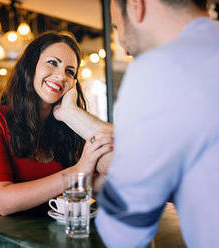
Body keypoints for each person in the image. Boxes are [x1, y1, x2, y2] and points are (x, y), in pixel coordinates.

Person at [55, 0, 219, 247]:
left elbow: (124, 231)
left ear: (135, 6)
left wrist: (104, 179)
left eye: (116, 26)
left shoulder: (159, 68)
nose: (121, 42)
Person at [0, 32, 113, 247]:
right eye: (52, 63)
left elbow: (120, 161)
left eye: (69, 71)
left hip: (41, 239)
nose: (61, 75)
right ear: (31, 66)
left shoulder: (68, 127)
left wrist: (70, 113)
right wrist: (78, 171)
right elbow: (2, 202)